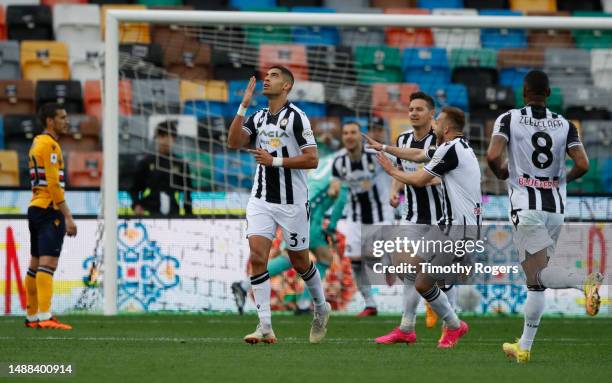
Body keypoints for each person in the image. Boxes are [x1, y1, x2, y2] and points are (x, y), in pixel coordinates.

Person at [487, 70, 601, 363]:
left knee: (538, 273)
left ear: (524, 92)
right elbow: (583, 164)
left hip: (526, 208)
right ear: (548, 93)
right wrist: (560, 181)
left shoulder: (508, 119)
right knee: (535, 282)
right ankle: (524, 347)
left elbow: (492, 155)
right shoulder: (565, 124)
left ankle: (582, 281)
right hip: (555, 209)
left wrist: (502, 172)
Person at [227, 66, 331, 344]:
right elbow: (233, 142)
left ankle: (321, 307)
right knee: (258, 257)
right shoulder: (258, 116)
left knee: (299, 261)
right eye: (266, 75)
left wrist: (275, 161)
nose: (266, 79)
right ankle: (264, 325)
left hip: (293, 203)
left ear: (286, 85)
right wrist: (243, 106)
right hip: (260, 199)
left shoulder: (298, 118)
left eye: (273, 76)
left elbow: (312, 159)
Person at [377, 107, 480, 349]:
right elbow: (417, 154)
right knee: (411, 271)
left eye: (436, 122)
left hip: (459, 229)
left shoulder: (450, 149)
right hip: (447, 225)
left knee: (425, 282)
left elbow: (420, 180)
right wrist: (384, 147)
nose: (432, 126)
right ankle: (410, 327)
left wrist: (392, 170)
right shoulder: (460, 147)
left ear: (446, 128)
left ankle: (453, 325)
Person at [364, 92, 457, 344]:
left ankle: (450, 321)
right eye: (411, 109)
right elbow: (399, 170)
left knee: (440, 276)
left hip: (440, 218)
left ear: (431, 114)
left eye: (419, 109)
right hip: (412, 216)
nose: (414, 113)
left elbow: (439, 177)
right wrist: (395, 193)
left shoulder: (439, 142)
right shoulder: (403, 139)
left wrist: (415, 179)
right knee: (407, 270)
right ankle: (407, 328)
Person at [231, 153, 348, 315]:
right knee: (302, 258)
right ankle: (302, 302)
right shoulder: (342, 174)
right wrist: (331, 228)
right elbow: (340, 202)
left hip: (298, 210)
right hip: (309, 219)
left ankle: (245, 286)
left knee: (305, 257)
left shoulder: (324, 166)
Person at [329, 121, 394, 317]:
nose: (349, 136)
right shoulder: (339, 160)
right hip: (355, 216)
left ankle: (389, 262)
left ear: (360, 136)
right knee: (355, 262)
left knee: (372, 254)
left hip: (381, 213)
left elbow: (398, 168)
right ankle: (370, 304)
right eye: (346, 133)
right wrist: (333, 190)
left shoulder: (376, 155)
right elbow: (335, 183)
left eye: (353, 132)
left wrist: (395, 191)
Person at [24, 103, 77, 330]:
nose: (67, 121)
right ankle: (45, 316)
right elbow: (54, 185)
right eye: (62, 117)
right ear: (50, 121)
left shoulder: (37, 142)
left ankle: (32, 315)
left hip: (35, 206)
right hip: (48, 208)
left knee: (35, 263)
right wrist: (68, 216)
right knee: (49, 263)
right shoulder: (51, 146)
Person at [130, 120, 193, 217]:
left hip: (174, 212)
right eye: (162, 136)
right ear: (157, 138)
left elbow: (187, 193)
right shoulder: (146, 162)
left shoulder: (180, 164)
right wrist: (136, 205)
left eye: (169, 136)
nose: (165, 140)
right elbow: (134, 189)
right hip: (148, 211)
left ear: (174, 138)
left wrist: (188, 215)